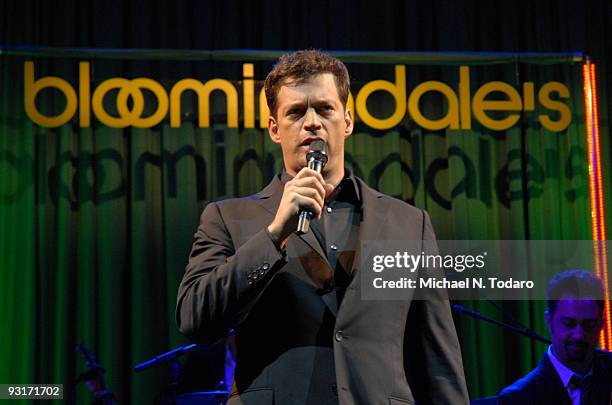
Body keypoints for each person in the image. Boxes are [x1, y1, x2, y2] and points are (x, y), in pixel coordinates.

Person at [176, 49, 469, 404]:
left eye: (325, 109)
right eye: (296, 112)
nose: (312, 122)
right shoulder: (228, 218)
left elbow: (437, 360)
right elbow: (196, 319)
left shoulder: (408, 223)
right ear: (274, 128)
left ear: (346, 121)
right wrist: (274, 236)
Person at [499, 269, 612, 405]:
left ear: (601, 324)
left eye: (589, 325)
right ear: (549, 321)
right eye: (569, 324)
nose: (579, 335)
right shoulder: (519, 398)